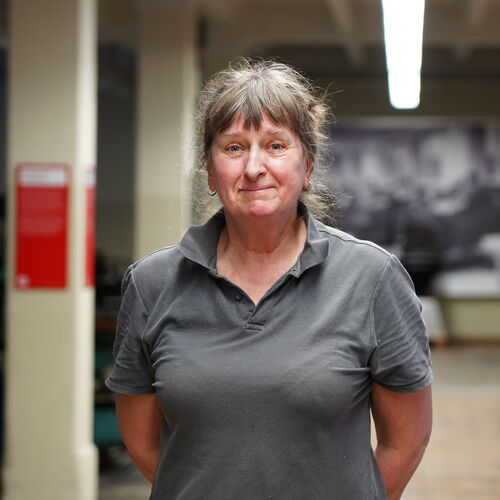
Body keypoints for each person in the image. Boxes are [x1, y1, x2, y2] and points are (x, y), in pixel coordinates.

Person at [105, 59, 433, 500]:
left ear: (307, 165)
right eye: (234, 148)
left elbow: (406, 441)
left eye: (276, 145)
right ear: (210, 171)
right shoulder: (152, 283)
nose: (254, 167)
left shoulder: (372, 278)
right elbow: (144, 444)